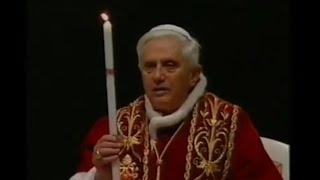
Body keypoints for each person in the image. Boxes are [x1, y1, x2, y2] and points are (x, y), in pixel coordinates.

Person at [70, 24, 283, 180]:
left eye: (170, 65)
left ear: (193, 75)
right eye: (149, 67)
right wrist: (101, 174)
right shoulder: (114, 126)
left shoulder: (229, 123)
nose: (158, 76)